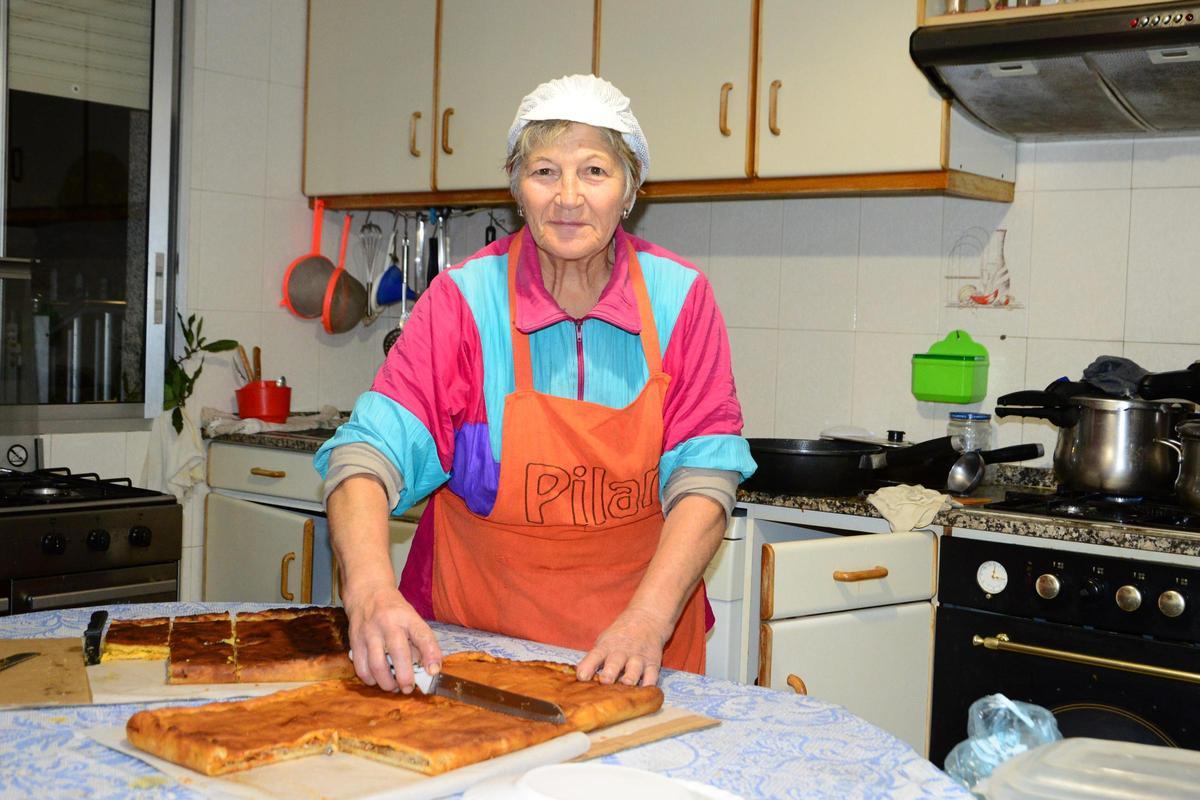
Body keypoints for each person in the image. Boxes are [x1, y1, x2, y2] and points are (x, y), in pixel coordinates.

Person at [316, 74, 754, 694]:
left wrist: (649, 621)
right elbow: (368, 454)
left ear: (630, 189)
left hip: (639, 649)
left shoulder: (682, 297)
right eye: (545, 171)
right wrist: (366, 590)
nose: (568, 197)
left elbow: (706, 476)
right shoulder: (463, 300)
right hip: (473, 652)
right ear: (517, 189)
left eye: (595, 172)